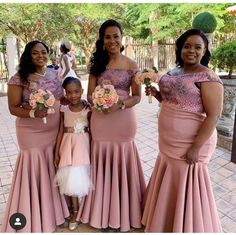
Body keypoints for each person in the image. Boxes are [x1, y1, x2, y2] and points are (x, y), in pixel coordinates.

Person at [142, 28, 223, 232]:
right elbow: (175, 100)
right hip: (168, 144)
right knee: (171, 180)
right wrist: (158, 95)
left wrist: (196, 147)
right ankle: (166, 221)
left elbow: (213, 115)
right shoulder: (176, 70)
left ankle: (185, 226)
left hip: (191, 144)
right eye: (187, 46)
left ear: (204, 51)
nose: (191, 51)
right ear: (180, 48)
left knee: (186, 184)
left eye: (197, 47)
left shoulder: (208, 77)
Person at [77, 19, 146, 232]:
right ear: (102, 40)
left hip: (123, 121)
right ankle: (100, 211)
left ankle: (126, 212)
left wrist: (119, 104)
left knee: (122, 160)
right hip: (100, 119)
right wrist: (99, 101)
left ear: (121, 37)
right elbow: (89, 93)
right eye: (108, 37)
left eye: (116, 36)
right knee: (101, 161)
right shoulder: (96, 64)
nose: (112, 40)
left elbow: (137, 97)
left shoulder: (132, 65)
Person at [1, 40, 70, 232]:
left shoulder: (54, 73)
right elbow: (13, 108)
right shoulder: (18, 78)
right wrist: (33, 113)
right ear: (28, 56)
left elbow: (59, 97)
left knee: (51, 165)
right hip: (31, 131)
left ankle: (52, 211)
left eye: (44, 52)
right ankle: (30, 212)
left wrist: (72, 101)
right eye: (35, 53)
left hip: (53, 128)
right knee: (34, 164)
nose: (41, 56)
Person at [54, 76, 93, 231]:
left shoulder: (87, 109)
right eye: (69, 92)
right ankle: (75, 213)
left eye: (76, 91)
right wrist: (57, 151)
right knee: (71, 179)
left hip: (82, 147)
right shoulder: (63, 110)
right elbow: (60, 131)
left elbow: (93, 129)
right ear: (65, 93)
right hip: (67, 147)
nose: (73, 95)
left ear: (82, 91)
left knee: (81, 178)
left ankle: (86, 209)